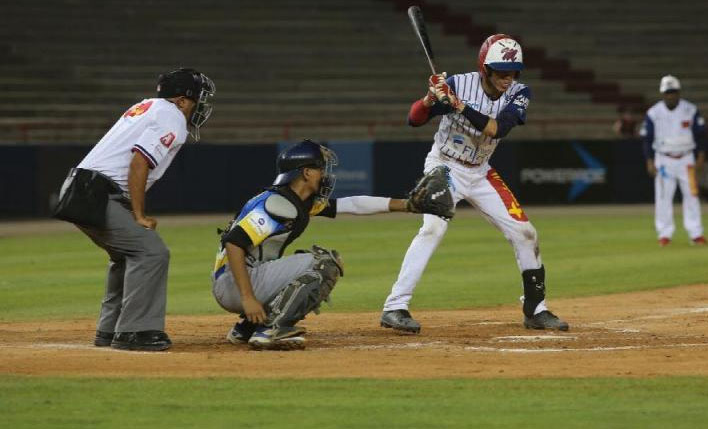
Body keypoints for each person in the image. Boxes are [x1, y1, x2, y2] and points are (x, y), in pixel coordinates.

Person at [379, 34, 569, 334]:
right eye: (501, 72)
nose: (508, 78)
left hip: (480, 171)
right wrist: (430, 99)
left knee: (525, 233)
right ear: (485, 68)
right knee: (433, 228)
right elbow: (413, 120)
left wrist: (459, 107)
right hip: (445, 165)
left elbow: (497, 129)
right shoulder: (457, 84)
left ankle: (535, 309)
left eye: (513, 72)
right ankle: (395, 307)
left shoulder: (520, 92)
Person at [211, 139, 440, 351]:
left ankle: (247, 328)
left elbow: (353, 205)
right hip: (235, 283)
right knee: (324, 264)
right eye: (320, 168)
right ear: (306, 173)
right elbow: (234, 243)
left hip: (240, 280)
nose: (325, 174)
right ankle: (272, 330)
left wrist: (407, 205)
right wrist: (247, 298)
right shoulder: (277, 204)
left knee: (301, 269)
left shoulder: (296, 201)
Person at [53, 68, 216, 351]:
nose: (200, 105)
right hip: (96, 192)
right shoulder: (172, 116)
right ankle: (135, 332)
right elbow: (140, 162)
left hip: (81, 188)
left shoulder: (148, 106)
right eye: (198, 98)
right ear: (181, 100)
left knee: (125, 255)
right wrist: (139, 215)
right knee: (151, 252)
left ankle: (110, 330)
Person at [640, 75, 708, 246]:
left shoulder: (690, 110)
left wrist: (701, 156)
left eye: (673, 92)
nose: (670, 96)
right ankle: (664, 234)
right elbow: (647, 139)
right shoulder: (654, 113)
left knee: (692, 195)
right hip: (664, 159)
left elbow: (701, 135)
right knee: (663, 197)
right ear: (663, 94)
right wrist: (649, 161)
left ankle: (696, 233)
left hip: (687, 159)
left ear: (679, 92)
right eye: (667, 92)